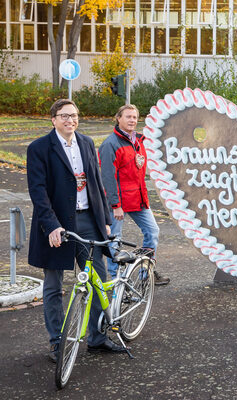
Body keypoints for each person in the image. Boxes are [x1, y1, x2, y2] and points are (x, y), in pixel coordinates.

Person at [27, 99, 126, 362]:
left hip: (88, 221)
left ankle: (97, 337)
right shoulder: (39, 148)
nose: (70, 120)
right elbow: (38, 192)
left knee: (97, 280)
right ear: (53, 119)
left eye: (74, 115)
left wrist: (104, 218)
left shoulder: (86, 143)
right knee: (53, 284)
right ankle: (57, 342)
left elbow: (95, 182)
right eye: (64, 116)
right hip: (56, 224)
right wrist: (51, 225)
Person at [99, 104, 169, 285]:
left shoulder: (138, 141)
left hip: (138, 199)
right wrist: (115, 205)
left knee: (152, 231)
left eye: (135, 117)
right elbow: (108, 177)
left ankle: (145, 273)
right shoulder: (110, 144)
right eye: (128, 116)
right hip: (118, 203)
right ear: (118, 118)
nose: (132, 120)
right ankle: (116, 279)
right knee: (114, 240)